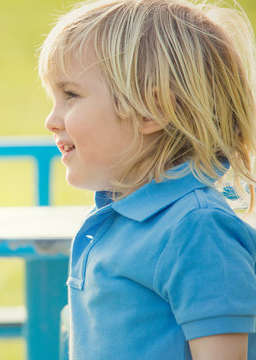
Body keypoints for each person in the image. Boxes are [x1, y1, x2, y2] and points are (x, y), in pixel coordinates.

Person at [38, 0, 256, 358]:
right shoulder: (119, 218)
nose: (51, 120)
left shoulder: (198, 228)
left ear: (151, 111)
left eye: (71, 95)